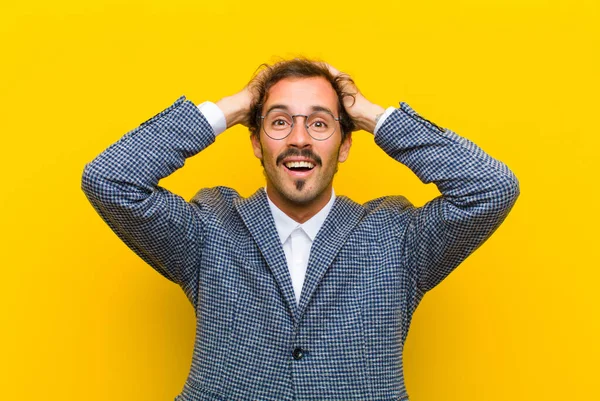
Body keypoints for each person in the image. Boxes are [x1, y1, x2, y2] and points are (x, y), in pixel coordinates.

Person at [81, 58, 519, 401]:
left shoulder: (397, 237)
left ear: (345, 144)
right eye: (278, 121)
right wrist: (234, 106)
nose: (300, 139)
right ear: (255, 141)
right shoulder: (207, 226)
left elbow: (491, 188)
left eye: (320, 123)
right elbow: (110, 179)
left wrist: (368, 114)